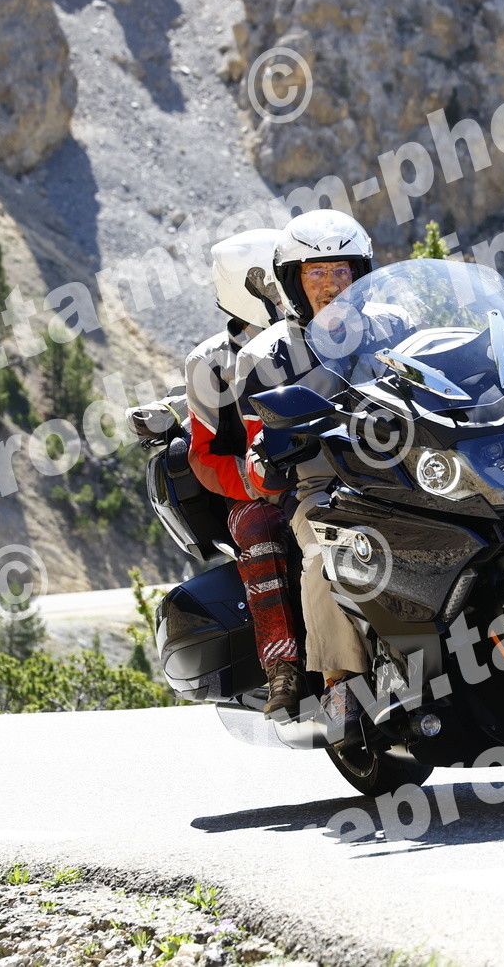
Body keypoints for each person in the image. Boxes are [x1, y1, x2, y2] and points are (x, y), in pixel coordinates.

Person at [238, 209, 377, 729]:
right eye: (315, 272)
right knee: (325, 552)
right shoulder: (268, 355)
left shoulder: (392, 326)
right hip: (327, 482)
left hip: (408, 464)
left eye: (341, 269)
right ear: (294, 282)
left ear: (360, 274)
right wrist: (271, 458)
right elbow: (256, 452)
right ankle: (340, 683)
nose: (330, 283)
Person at [184, 228, 305, 716]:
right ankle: (282, 667)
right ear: (245, 285)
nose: (284, 288)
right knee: (261, 531)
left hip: (334, 469)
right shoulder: (210, 362)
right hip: (256, 490)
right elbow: (204, 456)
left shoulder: (315, 333)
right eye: (272, 279)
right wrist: (258, 481)